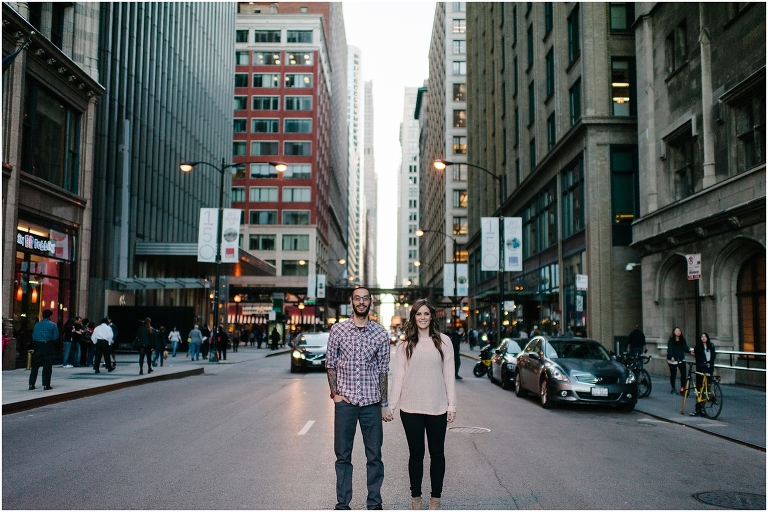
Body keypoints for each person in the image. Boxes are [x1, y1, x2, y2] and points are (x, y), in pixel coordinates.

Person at [325, 287, 391, 510]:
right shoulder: (338, 330)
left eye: (365, 298)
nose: (361, 302)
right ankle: (343, 503)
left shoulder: (381, 334)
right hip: (346, 404)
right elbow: (330, 364)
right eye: (357, 298)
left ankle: (374, 503)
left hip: (371, 403)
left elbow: (383, 371)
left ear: (371, 302)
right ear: (351, 302)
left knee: (375, 456)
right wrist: (335, 394)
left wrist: (384, 404)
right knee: (343, 456)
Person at [390, 299, 456, 511]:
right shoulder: (405, 344)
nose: (423, 318)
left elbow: (449, 375)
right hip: (410, 409)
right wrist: (390, 406)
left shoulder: (444, 342)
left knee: (437, 454)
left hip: (437, 407)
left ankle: (435, 499)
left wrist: (451, 405)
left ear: (432, 316)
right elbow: (399, 376)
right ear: (413, 317)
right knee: (415, 455)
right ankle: (415, 499)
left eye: (426, 314)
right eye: (419, 314)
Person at [28, 309, 59, 390]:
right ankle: (46, 384)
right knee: (47, 365)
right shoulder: (53, 325)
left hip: (37, 345)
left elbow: (33, 336)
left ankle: (31, 384)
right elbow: (55, 337)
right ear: (50, 316)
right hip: (47, 345)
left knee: (35, 366)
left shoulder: (37, 325)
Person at [690, 333, 717, 416]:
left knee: (707, 387)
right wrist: (703, 362)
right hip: (701, 367)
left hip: (709, 367)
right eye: (702, 337)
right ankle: (698, 408)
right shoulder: (698, 346)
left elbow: (713, 355)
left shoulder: (711, 345)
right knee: (699, 388)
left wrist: (710, 362)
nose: (703, 338)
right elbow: (697, 356)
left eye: (705, 337)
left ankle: (703, 406)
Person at [667, 327, 689, 395]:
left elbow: (685, 347)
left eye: (679, 330)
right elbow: (669, 349)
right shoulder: (671, 340)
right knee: (673, 374)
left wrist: (690, 351)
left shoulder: (682, 340)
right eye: (676, 331)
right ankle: (673, 388)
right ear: (674, 332)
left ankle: (682, 388)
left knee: (683, 374)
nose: (678, 332)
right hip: (673, 359)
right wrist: (671, 356)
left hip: (681, 358)